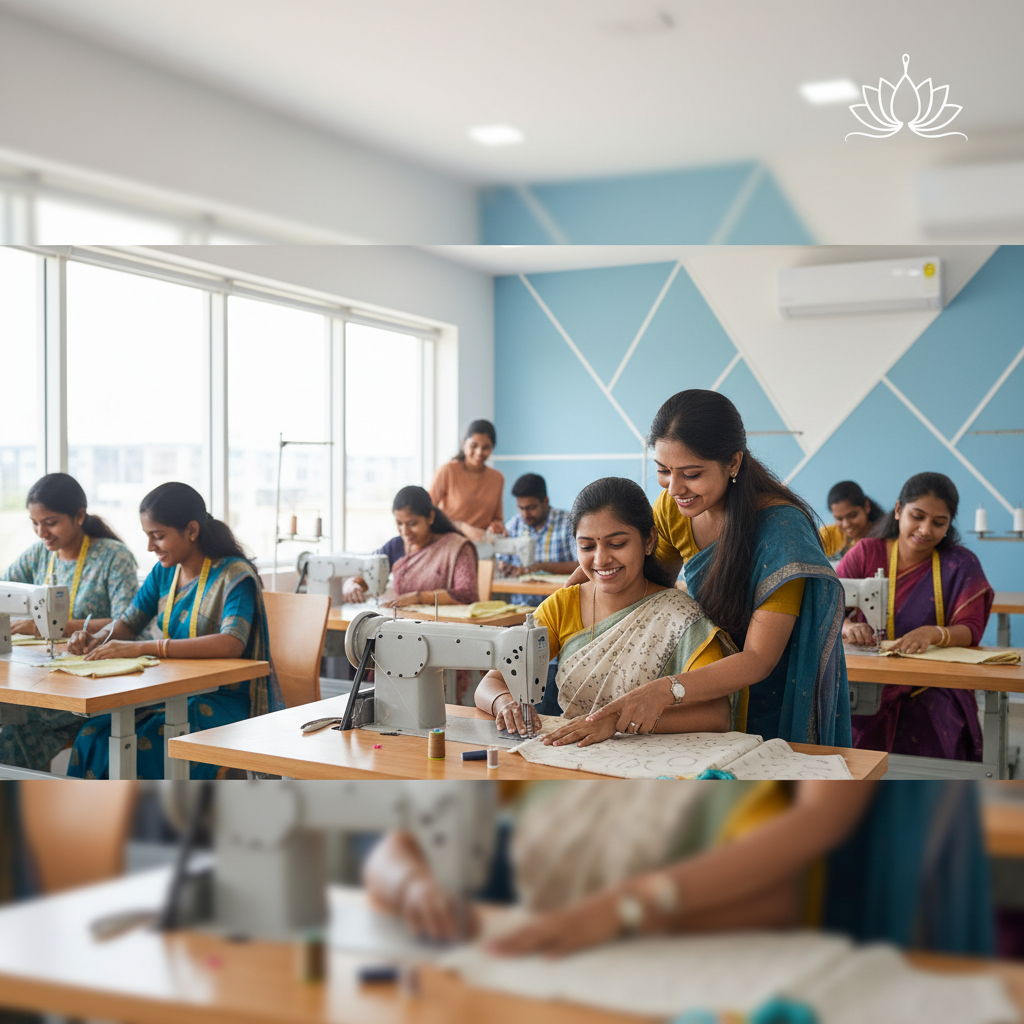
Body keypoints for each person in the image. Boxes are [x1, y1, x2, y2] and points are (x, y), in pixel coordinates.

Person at [364, 781, 993, 960]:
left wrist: (627, 910)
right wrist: (413, 887)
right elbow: (393, 855)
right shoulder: (529, 789)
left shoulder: (752, 809)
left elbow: (781, 903)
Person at [581, 390, 851, 748]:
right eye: (663, 471)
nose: (674, 489)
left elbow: (758, 659)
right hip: (700, 696)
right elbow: (635, 582)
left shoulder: (782, 531)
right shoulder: (672, 507)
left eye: (691, 474)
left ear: (733, 463)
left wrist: (665, 690)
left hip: (770, 700)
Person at [475, 477, 735, 742]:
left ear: (649, 541)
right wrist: (504, 704)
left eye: (617, 544)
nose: (600, 559)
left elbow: (717, 714)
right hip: (573, 756)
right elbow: (491, 683)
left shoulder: (680, 616)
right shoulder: (562, 606)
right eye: (587, 546)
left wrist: (618, 722)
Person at [64, 482, 281, 779]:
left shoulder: (233, 575)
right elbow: (128, 623)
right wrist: (97, 639)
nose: (150, 547)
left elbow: (231, 643)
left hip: (224, 699)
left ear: (191, 530)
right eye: (148, 537)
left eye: (158, 536)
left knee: (141, 746)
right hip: (173, 693)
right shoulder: (166, 571)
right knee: (93, 734)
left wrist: (146, 647)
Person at [837, 472, 993, 761]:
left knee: (934, 718)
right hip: (872, 678)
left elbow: (971, 629)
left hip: (934, 683)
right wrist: (846, 626)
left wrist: (933, 633)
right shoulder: (865, 552)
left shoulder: (960, 563)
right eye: (917, 516)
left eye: (938, 522)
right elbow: (825, 608)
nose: (925, 529)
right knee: (849, 716)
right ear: (898, 510)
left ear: (949, 525)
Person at [0, 473, 140, 772]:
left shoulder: (114, 557)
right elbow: (3, 591)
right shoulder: (38, 555)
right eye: (35, 523)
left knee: (18, 722)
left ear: (79, 516)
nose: (41, 532)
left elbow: (126, 620)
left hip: (94, 682)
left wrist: (54, 626)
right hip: (47, 676)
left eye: (50, 522)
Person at [342, 485, 479, 609]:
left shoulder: (457, 548)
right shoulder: (395, 546)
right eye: (399, 523)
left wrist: (417, 598)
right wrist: (351, 584)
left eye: (412, 524)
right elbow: (368, 574)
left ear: (430, 517)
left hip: (445, 628)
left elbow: (466, 594)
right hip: (404, 621)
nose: (405, 531)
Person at [493, 473, 578, 608]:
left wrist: (541, 567)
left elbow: (581, 565)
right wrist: (506, 568)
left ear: (545, 502)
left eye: (531, 508)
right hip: (521, 607)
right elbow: (502, 561)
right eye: (521, 508)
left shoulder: (568, 523)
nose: (525, 514)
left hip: (559, 607)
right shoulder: (515, 524)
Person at [429, 419, 505, 542]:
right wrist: (462, 527)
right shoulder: (448, 471)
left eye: (486, 447)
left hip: (481, 546)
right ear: (464, 443)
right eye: (474, 446)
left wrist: (496, 527)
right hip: (448, 541)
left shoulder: (497, 478)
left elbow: (497, 518)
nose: (479, 452)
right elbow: (429, 512)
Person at [820, 480, 883, 559]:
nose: (846, 524)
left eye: (852, 516)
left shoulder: (883, 538)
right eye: (839, 519)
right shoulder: (828, 536)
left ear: (866, 507)